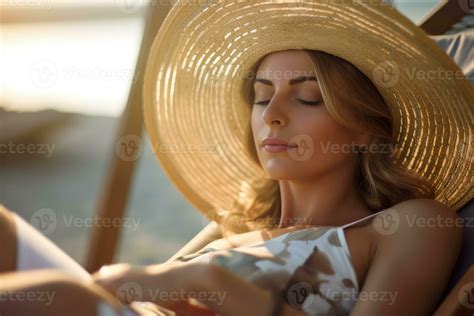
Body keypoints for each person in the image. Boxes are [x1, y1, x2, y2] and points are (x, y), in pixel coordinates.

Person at [1, 1, 472, 315]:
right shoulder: (236, 225)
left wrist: (212, 282)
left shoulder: (408, 225)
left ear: (367, 128)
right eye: (262, 97)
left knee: (64, 296)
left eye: (307, 97)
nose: (275, 117)